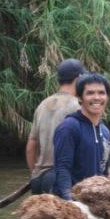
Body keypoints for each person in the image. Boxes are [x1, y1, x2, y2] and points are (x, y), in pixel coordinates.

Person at [52, 71, 110, 200]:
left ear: (107, 97)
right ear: (80, 98)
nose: (97, 98)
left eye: (101, 93)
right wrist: (69, 200)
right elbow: (63, 168)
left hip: (95, 200)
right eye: (90, 93)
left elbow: (104, 172)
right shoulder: (69, 127)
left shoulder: (105, 131)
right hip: (70, 200)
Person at [26, 58, 86, 195]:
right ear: (79, 78)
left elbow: (31, 147)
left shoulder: (42, 105)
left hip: (38, 179)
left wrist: (35, 174)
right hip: (61, 180)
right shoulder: (78, 106)